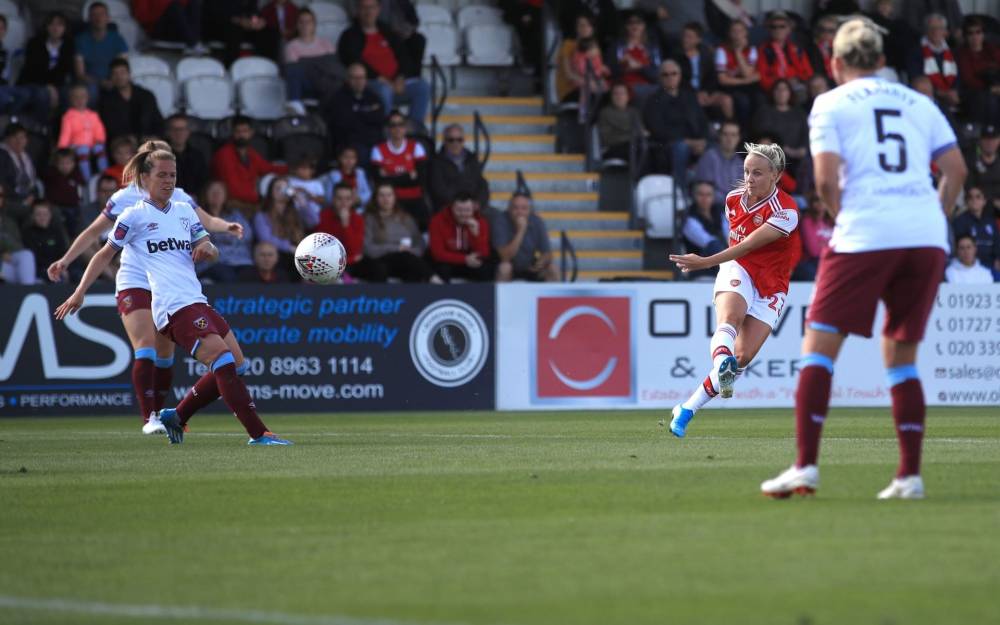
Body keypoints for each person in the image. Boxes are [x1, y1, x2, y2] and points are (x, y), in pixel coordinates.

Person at [759, 18, 968, 500]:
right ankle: (909, 476)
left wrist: (841, 216)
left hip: (866, 231)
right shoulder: (920, 102)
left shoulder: (829, 103)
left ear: (834, 63)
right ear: (880, 60)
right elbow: (956, 169)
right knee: (901, 356)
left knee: (818, 347)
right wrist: (932, 216)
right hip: (926, 235)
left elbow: (827, 181)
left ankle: (805, 466)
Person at [54, 149, 290, 446]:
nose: (168, 181)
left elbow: (209, 246)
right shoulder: (133, 215)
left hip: (196, 300)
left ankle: (176, 416)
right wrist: (78, 292)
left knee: (238, 365)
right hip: (170, 305)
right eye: (161, 175)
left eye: (172, 175)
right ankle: (259, 433)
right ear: (144, 178)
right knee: (222, 359)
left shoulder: (183, 210)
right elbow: (104, 254)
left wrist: (209, 250)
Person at [668, 142, 800, 437]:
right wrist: (717, 264)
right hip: (738, 268)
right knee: (730, 320)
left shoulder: (787, 211)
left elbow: (751, 243)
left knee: (742, 357)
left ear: (776, 175)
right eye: (746, 172)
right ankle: (721, 365)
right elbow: (741, 252)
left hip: (772, 285)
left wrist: (704, 262)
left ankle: (687, 408)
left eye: (758, 173)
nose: (749, 179)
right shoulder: (732, 199)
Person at [337, 0, 430, 127]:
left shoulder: (387, 31)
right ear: (358, 10)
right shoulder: (350, 35)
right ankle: (386, 130)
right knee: (384, 89)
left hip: (395, 83)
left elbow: (403, 56)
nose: (368, 12)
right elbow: (353, 61)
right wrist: (382, 79)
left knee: (422, 87)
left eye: (372, 7)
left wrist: (401, 77)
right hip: (370, 84)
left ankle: (413, 128)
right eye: (364, 8)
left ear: (378, 9)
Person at [642, 59, 708, 193]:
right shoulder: (653, 100)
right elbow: (657, 129)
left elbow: (702, 121)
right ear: (660, 78)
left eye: (674, 73)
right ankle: (680, 193)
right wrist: (687, 142)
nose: (670, 77)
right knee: (681, 148)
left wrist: (702, 140)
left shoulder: (689, 97)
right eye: (665, 75)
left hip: (695, 142)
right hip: (668, 145)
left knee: (714, 148)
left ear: (680, 75)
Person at [211, 116, 288, 213]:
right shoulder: (224, 154)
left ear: (251, 133)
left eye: (245, 131)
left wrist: (293, 170)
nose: (241, 135)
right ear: (232, 133)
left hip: (251, 205)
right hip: (231, 206)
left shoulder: (250, 153)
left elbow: (267, 168)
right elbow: (232, 189)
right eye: (238, 131)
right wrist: (258, 200)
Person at [361, 182, 434, 282]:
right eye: (381, 195)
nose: (386, 199)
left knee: (411, 264)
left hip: (407, 260)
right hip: (381, 260)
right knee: (385, 266)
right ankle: (433, 278)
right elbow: (367, 248)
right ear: (375, 198)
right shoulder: (369, 219)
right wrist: (397, 248)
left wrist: (412, 251)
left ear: (395, 197)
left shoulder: (406, 218)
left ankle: (413, 296)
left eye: (389, 195)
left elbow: (420, 244)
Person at [371, 110, 428, 229]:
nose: (397, 128)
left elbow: (420, 178)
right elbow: (380, 180)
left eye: (400, 124)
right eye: (393, 125)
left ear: (405, 127)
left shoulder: (416, 147)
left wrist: (390, 176)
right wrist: (408, 176)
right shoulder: (378, 150)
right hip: (390, 200)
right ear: (388, 129)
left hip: (414, 198)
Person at [324, 63, 385, 168]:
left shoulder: (372, 96)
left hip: (373, 141)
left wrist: (358, 113)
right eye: (355, 78)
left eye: (362, 77)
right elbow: (344, 123)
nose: (359, 81)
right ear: (348, 79)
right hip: (349, 142)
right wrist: (368, 113)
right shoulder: (338, 98)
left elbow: (379, 118)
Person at [492, 192, 558, 282]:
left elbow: (547, 253)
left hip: (530, 266)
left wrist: (542, 261)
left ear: (529, 210)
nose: (520, 212)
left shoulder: (537, 221)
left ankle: (552, 296)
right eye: (515, 208)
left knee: (553, 268)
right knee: (505, 268)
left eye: (524, 208)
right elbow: (505, 257)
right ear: (509, 209)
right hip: (510, 266)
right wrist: (521, 231)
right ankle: (501, 296)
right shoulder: (500, 221)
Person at [283, 8, 338, 116]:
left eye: (308, 21)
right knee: (293, 69)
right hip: (306, 85)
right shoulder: (291, 46)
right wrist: (318, 62)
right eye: (301, 22)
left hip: (324, 82)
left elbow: (333, 66)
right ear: (297, 25)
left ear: (314, 24)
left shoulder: (326, 43)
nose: (305, 25)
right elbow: (294, 70)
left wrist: (305, 62)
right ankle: (295, 103)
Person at [428, 192, 494, 282]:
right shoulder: (437, 221)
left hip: (470, 261)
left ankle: (482, 295)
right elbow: (438, 253)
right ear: (451, 207)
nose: (463, 214)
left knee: (486, 267)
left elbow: (484, 253)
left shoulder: (481, 222)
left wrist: (475, 235)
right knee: (441, 268)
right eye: (459, 210)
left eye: (467, 210)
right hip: (448, 261)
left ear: (474, 208)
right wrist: (464, 259)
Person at [315, 181, 374, 281]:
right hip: (330, 263)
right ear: (333, 200)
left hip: (352, 264)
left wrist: (345, 225)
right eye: (339, 198)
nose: (343, 203)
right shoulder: (323, 216)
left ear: (352, 201)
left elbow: (354, 250)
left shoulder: (358, 219)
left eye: (347, 199)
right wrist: (351, 258)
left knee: (374, 267)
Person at [197, 180, 253, 283]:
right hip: (213, 262)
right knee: (226, 275)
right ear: (205, 195)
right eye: (212, 192)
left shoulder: (235, 214)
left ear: (225, 196)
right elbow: (201, 238)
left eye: (220, 192)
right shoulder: (198, 216)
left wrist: (217, 233)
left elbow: (247, 235)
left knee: (251, 275)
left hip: (240, 260)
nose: (216, 195)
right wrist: (228, 232)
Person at [98, 58, 165, 143]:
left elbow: (157, 120)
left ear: (129, 74)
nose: (119, 77)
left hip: (147, 140)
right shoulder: (106, 100)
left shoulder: (146, 95)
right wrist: (127, 138)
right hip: (121, 144)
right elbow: (109, 126)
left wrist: (155, 136)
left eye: (122, 73)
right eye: (115, 73)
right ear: (111, 77)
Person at [677, 21, 734, 121]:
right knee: (696, 102)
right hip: (687, 94)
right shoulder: (677, 56)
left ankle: (730, 129)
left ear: (698, 40)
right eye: (684, 36)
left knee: (726, 100)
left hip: (705, 92)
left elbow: (712, 77)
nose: (685, 39)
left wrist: (706, 92)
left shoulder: (706, 55)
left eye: (689, 37)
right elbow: (679, 80)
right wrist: (695, 94)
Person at [74, 1, 128, 100]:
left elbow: (123, 67)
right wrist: (100, 82)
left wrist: (113, 81)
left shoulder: (118, 39)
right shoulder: (81, 40)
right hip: (90, 83)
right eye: (94, 15)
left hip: (114, 80)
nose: (98, 18)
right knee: (92, 91)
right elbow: (80, 73)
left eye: (102, 14)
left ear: (108, 18)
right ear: (89, 19)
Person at [428, 124, 489, 211]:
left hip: (473, 207)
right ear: (444, 141)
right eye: (451, 140)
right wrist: (461, 204)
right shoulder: (436, 162)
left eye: (459, 140)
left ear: (463, 141)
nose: (455, 143)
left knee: (496, 218)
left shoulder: (471, 159)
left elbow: (482, 184)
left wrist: (479, 202)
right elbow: (438, 189)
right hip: (448, 208)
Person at [750, 79, 809, 170]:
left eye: (784, 89)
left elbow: (805, 137)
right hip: (771, 159)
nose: (781, 93)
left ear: (790, 93)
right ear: (773, 93)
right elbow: (762, 138)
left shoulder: (799, 113)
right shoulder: (764, 112)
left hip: (797, 159)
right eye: (777, 89)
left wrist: (797, 152)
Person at [253, 176, 305, 277]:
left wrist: (301, 201)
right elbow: (265, 238)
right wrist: (290, 248)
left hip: (296, 251)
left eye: (285, 188)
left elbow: (313, 221)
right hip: (275, 253)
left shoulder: (295, 211)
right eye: (278, 188)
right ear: (271, 192)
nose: (282, 191)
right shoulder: (262, 215)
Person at [202, 0, 281, 65]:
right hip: (219, 27)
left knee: (270, 32)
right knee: (234, 31)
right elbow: (215, 13)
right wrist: (239, 21)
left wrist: (256, 21)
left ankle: (266, 66)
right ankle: (232, 67)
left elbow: (253, 12)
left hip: (244, 26)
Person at [756, 11, 813, 100]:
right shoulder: (763, 50)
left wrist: (797, 79)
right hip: (775, 87)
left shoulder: (797, 50)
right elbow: (762, 77)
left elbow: (808, 72)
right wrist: (782, 83)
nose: (778, 30)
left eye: (782, 26)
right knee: (787, 93)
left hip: (797, 84)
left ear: (789, 29)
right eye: (773, 27)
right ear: (769, 30)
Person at [606, 12, 662, 102]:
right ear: (626, 26)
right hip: (622, 86)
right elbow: (609, 71)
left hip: (646, 87)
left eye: (639, 22)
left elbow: (657, 75)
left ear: (644, 26)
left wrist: (639, 67)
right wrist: (623, 66)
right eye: (631, 23)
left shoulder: (652, 48)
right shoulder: (617, 46)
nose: (635, 26)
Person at [715, 19, 760, 127]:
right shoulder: (721, 50)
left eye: (740, 31)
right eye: (734, 31)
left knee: (758, 100)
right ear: (729, 34)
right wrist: (744, 81)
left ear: (745, 33)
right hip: (730, 88)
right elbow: (722, 80)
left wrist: (738, 52)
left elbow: (747, 74)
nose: (737, 35)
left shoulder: (752, 50)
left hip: (748, 87)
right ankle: (740, 130)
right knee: (742, 101)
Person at [956, 16, 1000, 128]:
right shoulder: (962, 54)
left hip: (996, 86)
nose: (975, 36)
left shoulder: (993, 49)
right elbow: (968, 79)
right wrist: (991, 89)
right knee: (990, 101)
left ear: (983, 34)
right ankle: (990, 136)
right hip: (975, 91)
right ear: (966, 36)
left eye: (978, 32)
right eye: (971, 33)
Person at [58, 84, 108, 181]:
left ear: (87, 98)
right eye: (76, 97)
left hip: (92, 144)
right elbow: (65, 134)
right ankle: (86, 179)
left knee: (100, 148)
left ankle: (104, 175)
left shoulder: (93, 115)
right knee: (83, 150)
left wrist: (99, 139)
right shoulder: (68, 116)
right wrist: (63, 148)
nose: (79, 100)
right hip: (76, 146)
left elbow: (99, 130)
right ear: (71, 100)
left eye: (82, 97)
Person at [18, 11, 76, 93]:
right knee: (42, 95)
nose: (55, 28)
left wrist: (53, 87)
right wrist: (48, 87)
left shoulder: (69, 45)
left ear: (65, 28)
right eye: (52, 24)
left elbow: (64, 70)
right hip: (34, 82)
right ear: (46, 26)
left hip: (58, 84)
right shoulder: (35, 43)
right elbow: (33, 70)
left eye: (60, 25)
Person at [951, 186, 1000, 278]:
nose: (974, 200)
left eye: (978, 197)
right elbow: (960, 246)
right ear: (967, 202)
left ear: (984, 201)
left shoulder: (990, 221)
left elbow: (997, 242)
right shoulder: (960, 221)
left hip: (991, 265)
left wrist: (998, 258)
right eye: (970, 197)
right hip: (970, 267)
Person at [694, 120, 743, 204]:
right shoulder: (709, 158)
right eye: (725, 134)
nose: (729, 139)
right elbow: (705, 191)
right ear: (719, 136)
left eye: (733, 135)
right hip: (714, 209)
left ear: (738, 138)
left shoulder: (741, 163)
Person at [919, 13, 960, 111]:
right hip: (930, 96)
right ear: (926, 31)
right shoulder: (917, 51)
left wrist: (954, 92)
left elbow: (959, 77)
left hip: (952, 95)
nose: (936, 32)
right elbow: (917, 79)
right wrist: (940, 93)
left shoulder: (953, 52)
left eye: (940, 28)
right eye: (932, 28)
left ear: (945, 32)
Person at [132, 0, 206, 54]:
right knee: (174, 6)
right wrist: (159, 10)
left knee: (193, 2)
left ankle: (196, 42)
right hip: (156, 28)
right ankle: (193, 44)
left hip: (177, 27)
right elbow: (142, 16)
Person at [20, 200, 68, 283]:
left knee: (77, 275)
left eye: (45, 214)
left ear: (50, 215)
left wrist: (62, 267)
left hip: (59, 267)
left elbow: (63, 252)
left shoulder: (56, 231)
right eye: (38, 214)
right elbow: (34, 258)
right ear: (32, 216)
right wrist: (54, 269)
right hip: (40, 270)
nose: (42, 218)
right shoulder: (27, 233)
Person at [0, 123, 40, 220]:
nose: (19, 141)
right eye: (15, 137)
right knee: (35, 213)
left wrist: (32, 196)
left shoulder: (27, 156)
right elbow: (3, 184)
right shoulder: (2, 156)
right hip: (10, 200)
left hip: (27, 198)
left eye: (22, 137)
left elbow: (33, 182)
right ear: (7, 139)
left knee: (50, 210)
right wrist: (21, 198)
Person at [43, 148, 85, 236]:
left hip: (75, 206)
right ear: (56, 164)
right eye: (62, 163)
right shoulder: (52, 175)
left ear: (74, 164)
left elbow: (81, 191)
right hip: (57, 207)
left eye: (68, 163)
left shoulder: (77, 175)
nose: (65, 166)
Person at [0, 183, 37, 284]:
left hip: (12, 260)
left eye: (1, 195)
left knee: (27, 256)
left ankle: (30, 291)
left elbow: (28, 215)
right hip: (2, 263)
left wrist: (25, 204)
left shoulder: (9, 219)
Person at [681, 180, 727, 259]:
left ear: (713, 197)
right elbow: (710, 244)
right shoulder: (689, 220)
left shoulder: (720, 213)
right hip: (702, 267)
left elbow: (729, 235)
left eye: (708, 195)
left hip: (725, 261)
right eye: (700, 194)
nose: (704, 198)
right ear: (693, 196)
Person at [793, 192, 834, 280]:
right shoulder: (807, 221)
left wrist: (822, 244)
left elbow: (839, 246)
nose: (820, 203)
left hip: (829, 259)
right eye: (816, 200)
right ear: (811, 204)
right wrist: (828, 245)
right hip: (810, 261)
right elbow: (813, 251)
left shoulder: (831, 222)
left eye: (823, 200)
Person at [597, 83, 643, 162]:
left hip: (633, 145)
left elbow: (641, 131)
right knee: (637, 149)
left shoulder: (633, 112)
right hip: (613, 149)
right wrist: (632, 135)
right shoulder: (605, 113)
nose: (619, 96)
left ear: (628, 96)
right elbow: (606, 138)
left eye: (622, 93)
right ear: (611, 96)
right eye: (616, 93)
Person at [165, 114, 208, 197]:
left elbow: (204, 183)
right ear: (169, 132)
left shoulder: (198, 156)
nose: (179, 133)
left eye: (182, 129)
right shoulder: (160, 156)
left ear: (188, 132)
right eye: (175, 129)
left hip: (195, 200)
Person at [967, 125, 999, 213]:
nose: (990, 143)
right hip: (979, 211)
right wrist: (992, 202)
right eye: (986, 139)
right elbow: (970, 190)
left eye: (993, 139)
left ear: (998, 141)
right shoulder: (972, 163)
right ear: (980, 141)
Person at [287, 157, 325, 229]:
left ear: (312, 171)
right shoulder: (290, 181)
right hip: (294, 214)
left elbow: (322, 200)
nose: (301, 171)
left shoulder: (316, 183)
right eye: (299, 168)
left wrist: (306, 193)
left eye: (304, 168)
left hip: (313, 215)